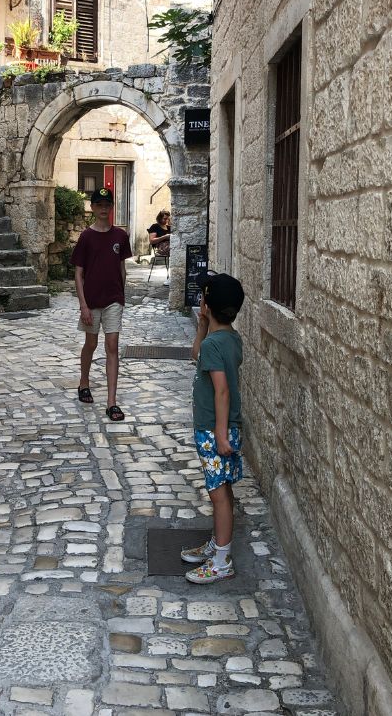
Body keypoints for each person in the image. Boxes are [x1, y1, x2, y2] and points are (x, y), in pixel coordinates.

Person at [181, 272, 245, 583]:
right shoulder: (228, 339)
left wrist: (219, 434)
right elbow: (197, 355)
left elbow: (221, 390)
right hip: (222, 428)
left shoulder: (215, 346)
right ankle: (218, 545)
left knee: (217, 493)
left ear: (206, 303)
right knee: (224, 488)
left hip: (213, 430)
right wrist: (203, 324)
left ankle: (222, 561)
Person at [71, 187, 133, 422]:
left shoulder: (120, 236)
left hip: (113, 300)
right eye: (99, 204)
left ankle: (111, 402)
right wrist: (83, 306)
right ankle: (84, 382)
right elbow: (78, 273)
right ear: (93, 208)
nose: (103, 208)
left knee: (112, 345)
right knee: (91, 343)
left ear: (111, 207)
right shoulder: (86, 237)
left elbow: (122, 269)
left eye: (107, 204)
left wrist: (121, 295)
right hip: (91, 300)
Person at [147, 210, 172, 287]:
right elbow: (151, 241)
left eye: (167, 219)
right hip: (160, 247)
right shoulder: (155, 226)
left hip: (170, 246)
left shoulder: (169, 227)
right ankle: (172, 277)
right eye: (164, 219)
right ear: (159, 218)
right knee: (175, 250)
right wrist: (164, 237)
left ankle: (172, 276)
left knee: (177, 249)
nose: (166, 221)